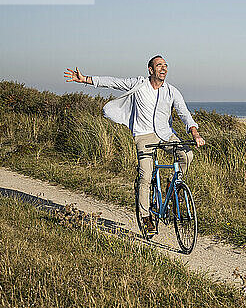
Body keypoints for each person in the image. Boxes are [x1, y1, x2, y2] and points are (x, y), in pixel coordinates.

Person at [63, 55, 205, 233]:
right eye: (159, 65)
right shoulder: (139, 84)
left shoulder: (171, 91)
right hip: (144, 136)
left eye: (165, 65)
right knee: (146, 175)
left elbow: (184, 113)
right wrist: (86, 79)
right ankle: (146, 216)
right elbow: (113, 82)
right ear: (151, 70)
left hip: (166, 135)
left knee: (187, 155)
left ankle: (172, 184)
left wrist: (194, 132)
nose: (163, 68)